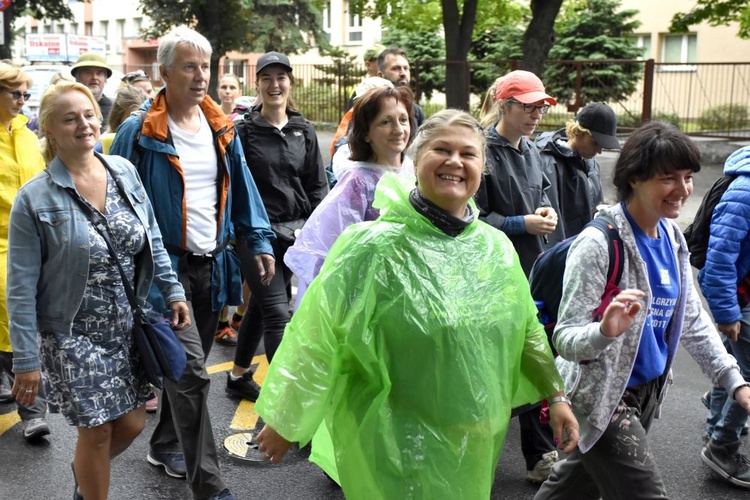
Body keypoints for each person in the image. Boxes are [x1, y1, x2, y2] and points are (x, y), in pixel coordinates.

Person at [253, 109, 579, 498]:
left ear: (482, 167)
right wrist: (285, 420)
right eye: (441, 149)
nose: (454, 162)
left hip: (471, 440)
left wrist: (556, 396)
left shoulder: (496, 249)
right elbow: (319, 336)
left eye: (468, 154)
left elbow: (526, 330)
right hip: (391, 437)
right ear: (416, 157)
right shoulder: (369, 247)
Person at [534, 121, 750, 500]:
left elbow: (693, 322)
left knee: (569, 490)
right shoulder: (598, 244)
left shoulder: (671, 236)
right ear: (634, 178)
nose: (683, 190)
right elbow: (565, 338)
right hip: (601, 397)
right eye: (668, 178)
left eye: (687, 177)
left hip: (647, 393)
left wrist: (734, 381)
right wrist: (604, 331)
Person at [110, 26, 275, 500]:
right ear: (164, 73)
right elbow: (115, 205)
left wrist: (258, 240)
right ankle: (211, 485)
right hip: (162, 277)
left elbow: (241, 187)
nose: (201, 76)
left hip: (211, 268)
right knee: (192, 377)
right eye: (189, 66)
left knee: (187, 375)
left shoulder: (220, 125)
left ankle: (164, 447)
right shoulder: (138, 132)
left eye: (206, 65)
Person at [8, 81, 191, 500]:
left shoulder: (122, 171)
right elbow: (19, 287)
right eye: (69, 118)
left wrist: (173, 290)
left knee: (131, 424)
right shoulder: (34, 199)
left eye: (88, 114)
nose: (84, 124)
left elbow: (153, 238)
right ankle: (92, 488)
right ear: (50, 130)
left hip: (127, 323)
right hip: (70, 333)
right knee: (97, 432)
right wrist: (25, 359)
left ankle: (86, 478)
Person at [226, 51, 327, 402]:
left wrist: (317, 230)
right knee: (277, 312)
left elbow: (317, 185)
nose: (274, 84)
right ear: (257, 84)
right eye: (267, 78)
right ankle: (287, 402)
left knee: (261, 306)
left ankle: (238, 376)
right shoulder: (243, 131)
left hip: (297, 234)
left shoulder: (304, 129)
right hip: (257, 236)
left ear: (290, 82)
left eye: (281, 77)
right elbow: (235, 186)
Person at [475, 69, 560, 483]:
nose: (536, 115)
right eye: (528, 107)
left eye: (540, 108)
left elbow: (542, 192)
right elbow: (471, 218)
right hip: (490, 275)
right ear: (503, 105)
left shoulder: (531, 149)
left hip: (531, 270)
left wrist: (545, 211)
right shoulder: (481, 150)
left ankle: (538, 454)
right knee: (501, 362)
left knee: (530, 355)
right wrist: (518, 224)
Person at [286, 84, 415, 310]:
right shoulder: (358, 182)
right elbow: (327, 251)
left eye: (403, 120)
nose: (398, 129)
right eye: (386, 122)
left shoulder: (413, 172)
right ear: (366, 132)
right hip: (366, 299)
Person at [0, 62, 50, 441]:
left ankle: (28, 402)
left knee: (22, 322)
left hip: (33, 242)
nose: (22, 101)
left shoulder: (28, 135)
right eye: (15, 93)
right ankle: (32, 408)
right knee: (13, 322)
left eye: (25, 95)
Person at [698, 144, 750, 487]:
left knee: (731, 361)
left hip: (743, 293)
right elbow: (718, 259)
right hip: (739, 295)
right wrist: (727, 312)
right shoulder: (744, 191)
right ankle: (722, 445)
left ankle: (717, 424)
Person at [535, 102, 619, 246]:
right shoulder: (549, 163)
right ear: (579, 132)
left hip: (587, 246)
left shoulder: (591, 164)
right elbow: (551, 225)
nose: (599, 151)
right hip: (562, 252)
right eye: (595, 143)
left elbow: (596, 207)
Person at [376, 47, 426, 127]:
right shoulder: (367, 106)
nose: (403, 73)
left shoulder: (417, 111)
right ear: (380, 75)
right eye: (395, 68)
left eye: (406, 68)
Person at [96, 85, 148, 154]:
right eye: (131, 121)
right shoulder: (100, 148)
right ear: (117, 121)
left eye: (141, 120)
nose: (137, 126)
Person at [71, 52, 113, 125]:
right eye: (88, 73)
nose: (94, 77)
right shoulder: (67, 106)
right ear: (77, 77)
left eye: (99, 73)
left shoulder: (113, 109)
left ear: (105, 79)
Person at [343, 43, 386, 113]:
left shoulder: (393, 84)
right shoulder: (360, 91)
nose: (386, 62)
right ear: (368, 65)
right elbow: (349, 121)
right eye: (381, 59)